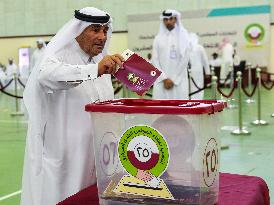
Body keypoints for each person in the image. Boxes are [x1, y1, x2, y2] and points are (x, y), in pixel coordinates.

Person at [21, 7, 124, 205]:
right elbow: (47, 75)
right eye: (95, 30)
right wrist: (95, 69)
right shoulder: (58, 57)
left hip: (98, 153)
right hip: (65, 156)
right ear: (78, 30)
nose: (102, 36)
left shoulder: (101, 61)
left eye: (104, 30)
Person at [152, 9, 191, 99]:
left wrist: (173, 79)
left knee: (180, 111)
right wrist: (164, 78)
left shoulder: (184, 37)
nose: (168, 22)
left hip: (179, 82)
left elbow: (185, 60)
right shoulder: (158, 39)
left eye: (171, 19)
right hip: (161, 81)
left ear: (176, 19)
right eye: (165, 19)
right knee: (160, 110)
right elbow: (155, 60)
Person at [188, 33, 210, 99]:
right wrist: (207, 72)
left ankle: (193, 100)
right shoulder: (200, 47)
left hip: (191, 71)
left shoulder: (188, 47)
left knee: (193, 86)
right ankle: (198, 100)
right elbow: (205, 61)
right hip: (198, 70)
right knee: (198, 86)